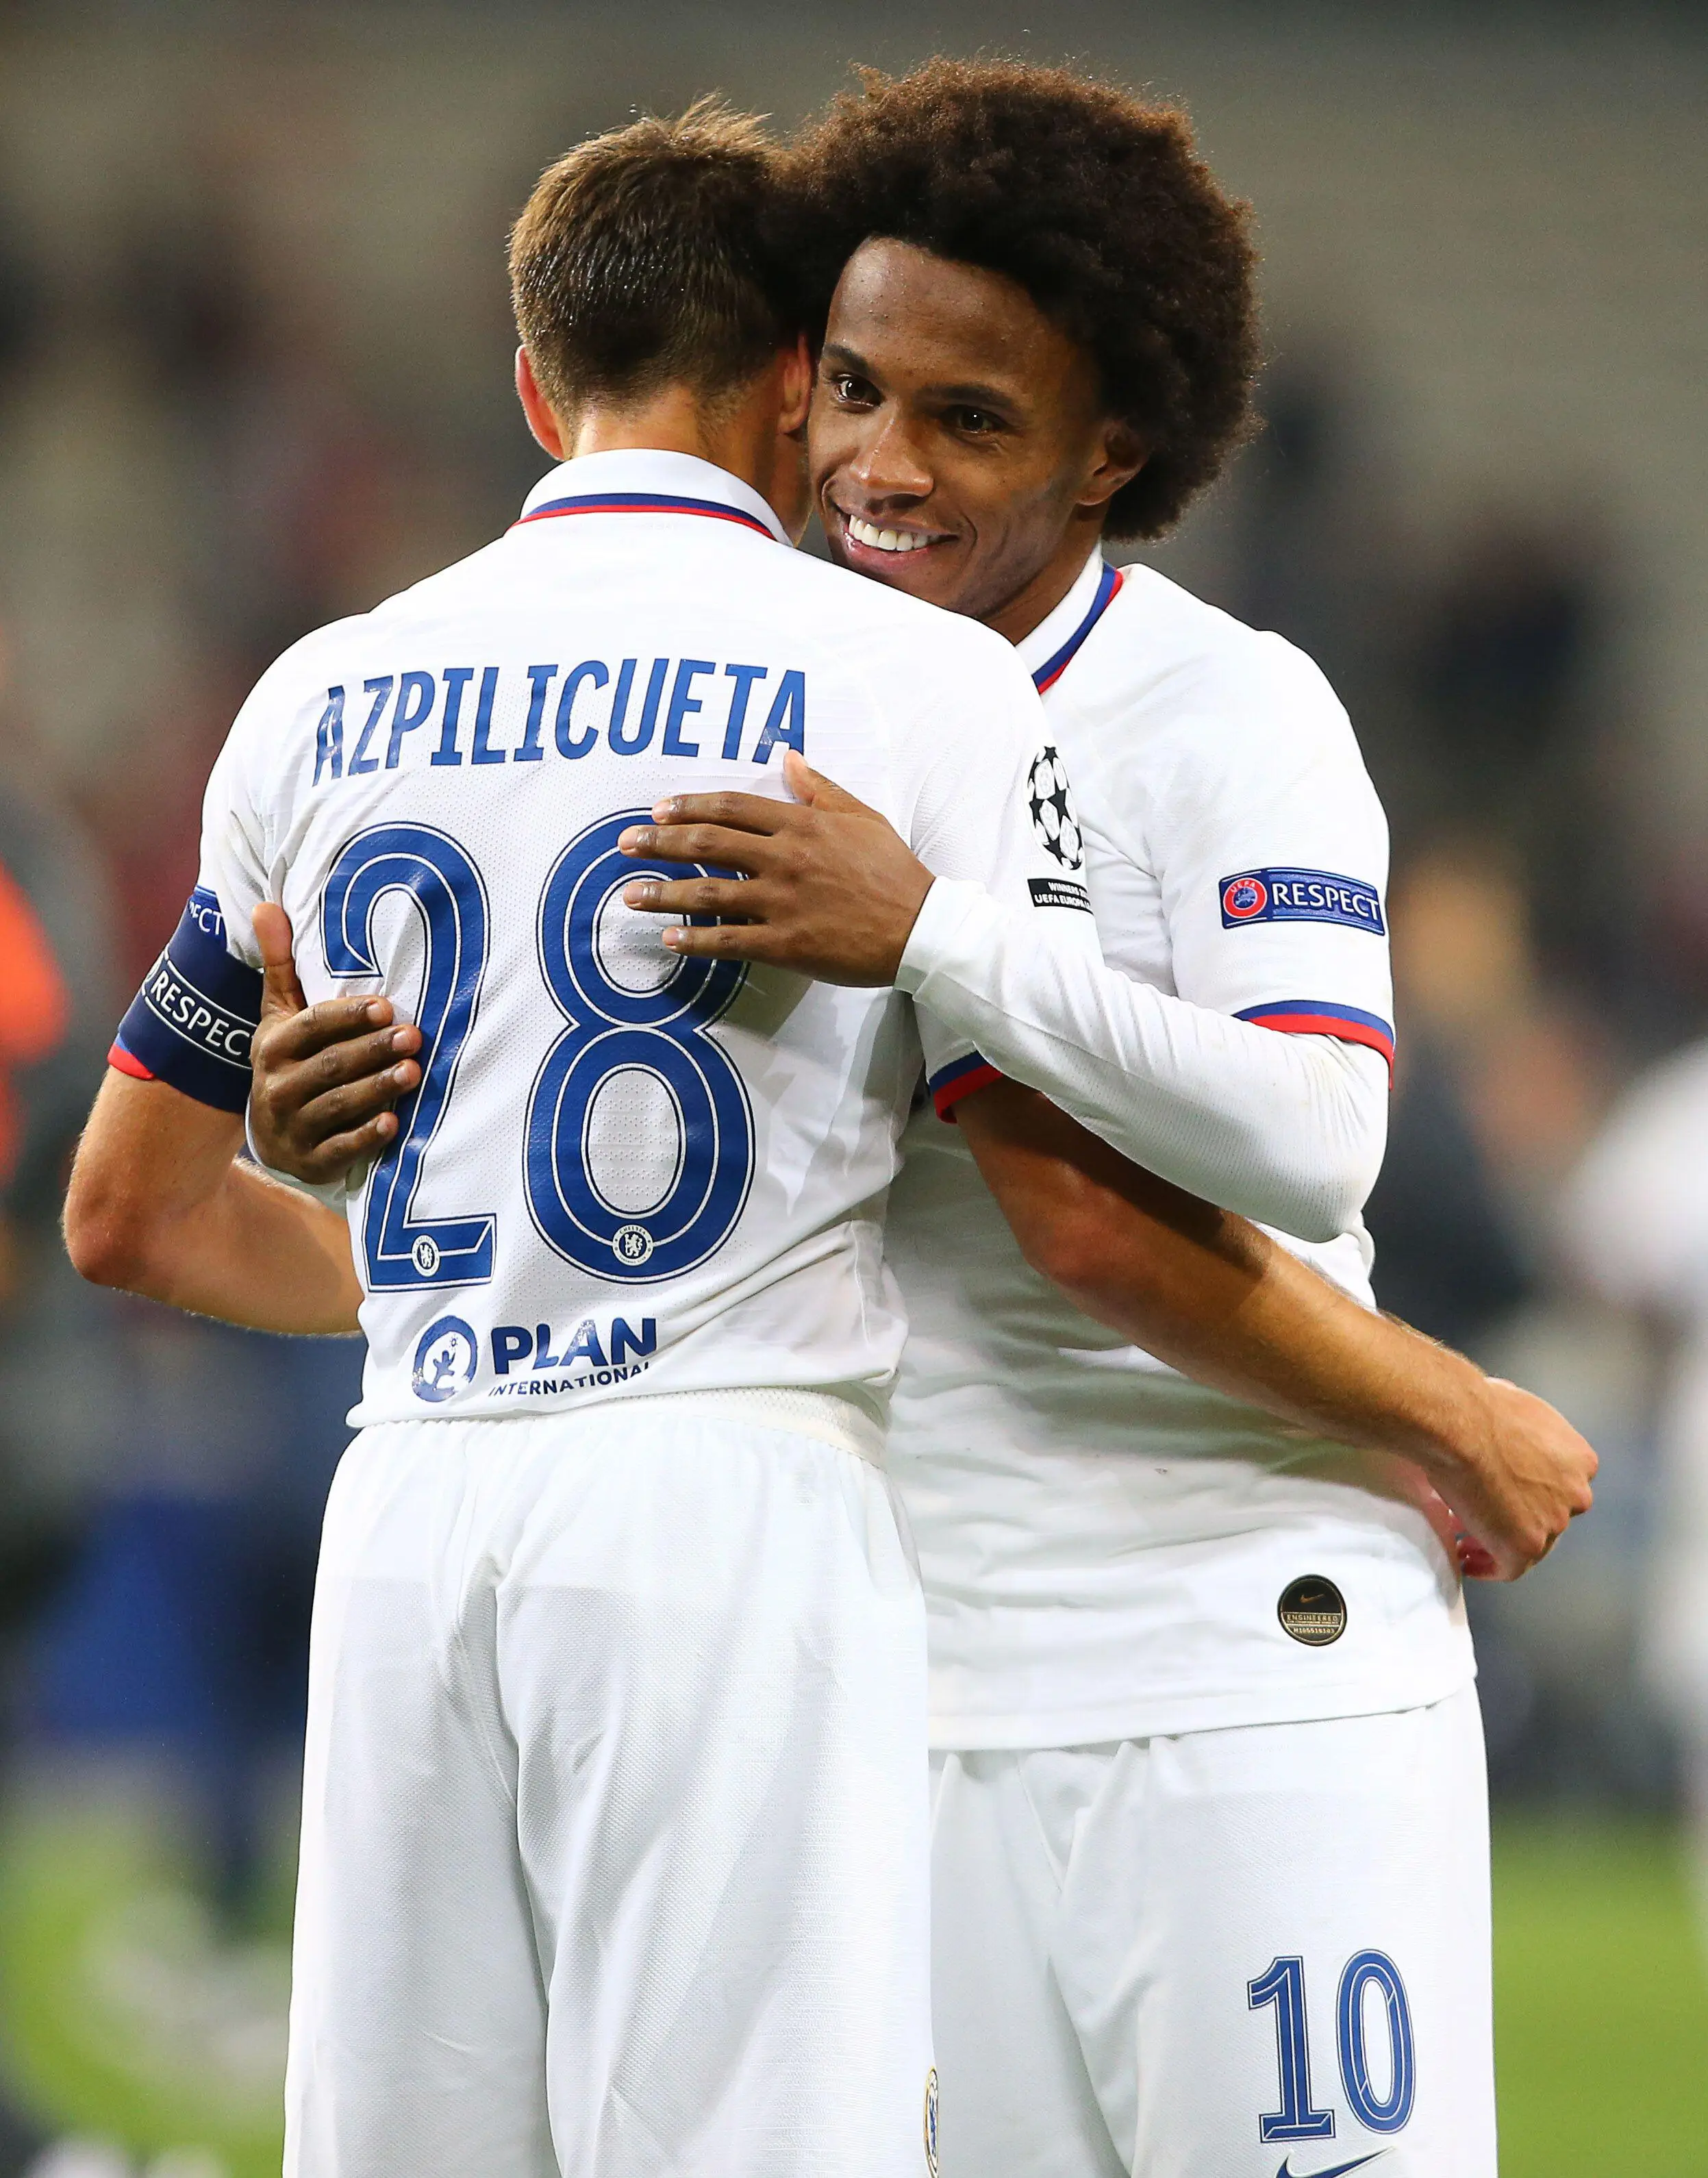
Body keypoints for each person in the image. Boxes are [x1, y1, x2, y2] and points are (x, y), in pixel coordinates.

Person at [106, 83, 1591, 2178]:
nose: (884, 466)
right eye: (860, 394)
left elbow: (1299, 1136)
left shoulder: (1223, 710)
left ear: (1113, 451)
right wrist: (348, 1119)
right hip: (912, 1667)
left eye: (968, 421)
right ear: (788, 384)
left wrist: (942, 937)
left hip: (1231, 1629)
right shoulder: (797, 694)